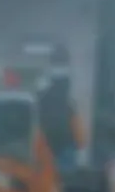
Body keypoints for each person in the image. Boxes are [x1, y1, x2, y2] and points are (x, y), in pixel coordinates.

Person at [37, 46, 87, 177]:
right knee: (66, 182)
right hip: (65, 149)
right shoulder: (68, 96)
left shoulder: (42, 93)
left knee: (46, 181)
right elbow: (80, 139)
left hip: (46, 149)